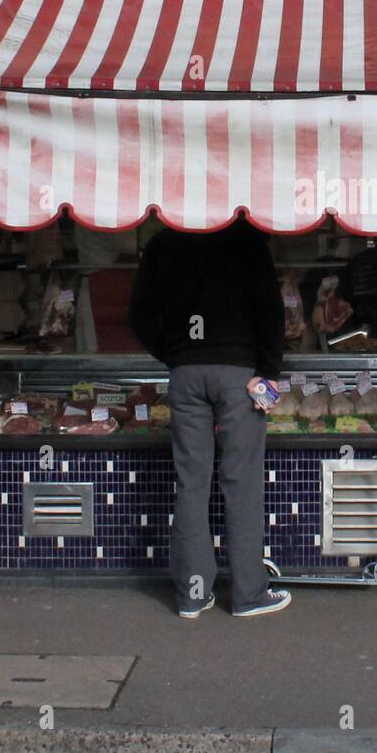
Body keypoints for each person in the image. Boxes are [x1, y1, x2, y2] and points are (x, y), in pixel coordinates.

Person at [130, 217, 291, 618]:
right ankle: (248, 594)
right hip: (239, 375)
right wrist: (268, 371)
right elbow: (271, 310)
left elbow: (140, 315)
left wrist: (178, 355)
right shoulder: (246, 240)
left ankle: (193, 594)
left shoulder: (162, 243)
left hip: (186, 375)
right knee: (241, 483)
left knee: (192, 483)